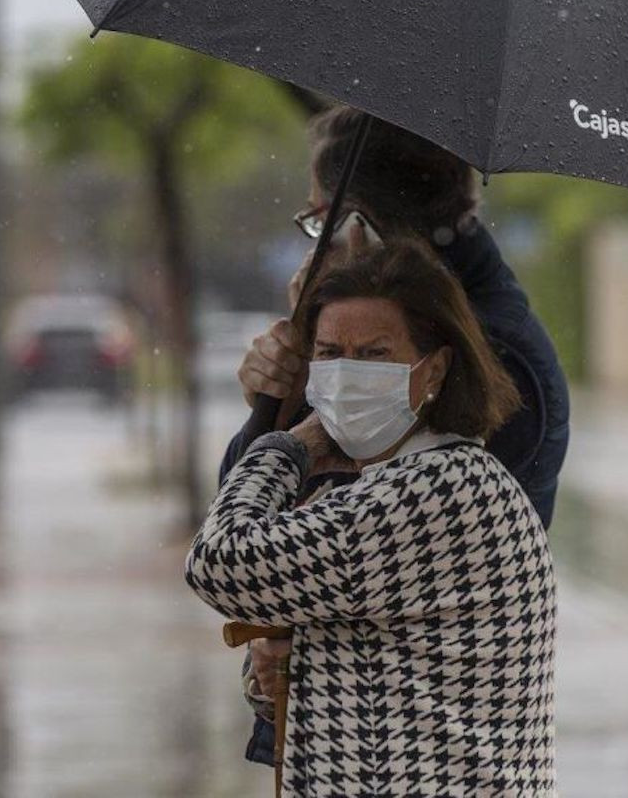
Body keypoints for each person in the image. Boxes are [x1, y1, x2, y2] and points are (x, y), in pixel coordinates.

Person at [220, 105, 571, 767]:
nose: (314, 238)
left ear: (357, 223)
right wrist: (275, 402)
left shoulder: (486, 358)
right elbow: (265, 541)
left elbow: (255, 558)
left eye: (318, 218)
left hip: (420, 749)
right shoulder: (381, 327)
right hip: (359, 740)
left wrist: (293, 424)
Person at [186, 241, 558, 796]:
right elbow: (362, 647)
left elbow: (220, 562)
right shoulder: (386, 487)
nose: (346, 374)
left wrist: (289, 445)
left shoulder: (437, 492)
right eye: (330, 352)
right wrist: (283, 667)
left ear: (434, 368)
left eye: (374, 353)